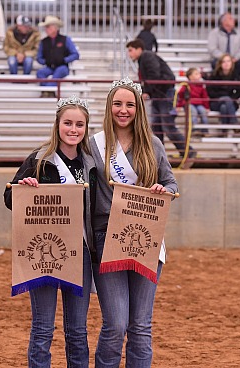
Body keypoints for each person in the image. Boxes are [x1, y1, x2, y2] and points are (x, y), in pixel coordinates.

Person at [89, 77, 178, 368]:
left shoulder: (152, 144)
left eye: (129, 104)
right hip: (106, 237)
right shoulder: (94, 144)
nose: (123, 110)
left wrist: (163, 191)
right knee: (115, 324)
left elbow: (170, 182)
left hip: (146, 236)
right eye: (117, 104)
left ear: (138, 108)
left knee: (140, 326)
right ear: (109, 107)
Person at [3, 95, 95, 368]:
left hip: (80, 253)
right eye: (68, 123)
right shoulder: (39, 159)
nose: (73, 129)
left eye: (79, 124)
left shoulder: (91, 164)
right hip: (43, 251)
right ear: (57, 125)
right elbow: (9, 199)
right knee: (43, 328)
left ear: (86, 128)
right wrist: (24, 186)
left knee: (77, 331)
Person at [126, 38, 195, 160]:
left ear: (139, 49)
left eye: (131, 50)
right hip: (159, 94)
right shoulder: (145, 58)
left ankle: (188, 151)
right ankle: (160, 155)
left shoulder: (147, 57)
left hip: (164, 94)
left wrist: (146, 90)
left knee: (167, 125)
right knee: (157, 126)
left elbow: (154, 75)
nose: (129, 53)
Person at [36, 15, 80, 98]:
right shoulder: (44, 42)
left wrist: (64, 60)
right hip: (49, 66)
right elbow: (39, 57)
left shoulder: (65, 39)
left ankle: (46, 91)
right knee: (40, 73)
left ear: (55, 28)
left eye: (48, 27)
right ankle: (50, 90)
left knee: (59, 72)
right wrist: (45, 61)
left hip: (62, 66)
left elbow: (75, 54)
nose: (46, 29)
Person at [208, 12, 240, 77]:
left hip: (235, 60)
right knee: (215, 64)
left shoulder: (239, 34)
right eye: (230, 18)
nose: (233, 20)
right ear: (224, 21)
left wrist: (235, 58)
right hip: (220, 60)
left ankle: (236, 84)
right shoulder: (214, 33)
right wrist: (225, 58)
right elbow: (212, 49)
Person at [206, 53, 240, 126]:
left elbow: (239, 92)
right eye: (224, 61)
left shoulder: (235, 75)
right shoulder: (214, 75)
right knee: (226, 100)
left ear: (231, 63)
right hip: (216, 101)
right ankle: (234, 123)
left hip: (231, 103)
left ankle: (224, 130)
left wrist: (230, 99)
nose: (226, 64)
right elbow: (210, 92)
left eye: (228, 61)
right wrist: (223, 97)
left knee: (224, 108)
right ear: (220, 64)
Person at [176, 67, 210, 136]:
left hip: (199, 103)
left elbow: (204, 97)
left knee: (203, 111)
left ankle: (205, 130)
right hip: (189, 103)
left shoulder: (201, 86)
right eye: (196, 74)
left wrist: (207, 107)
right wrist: (179, 106)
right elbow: (180, 95)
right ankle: (194, 129)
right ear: (190, 77)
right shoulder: (186, 85)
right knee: (193, 111)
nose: (199, 75)